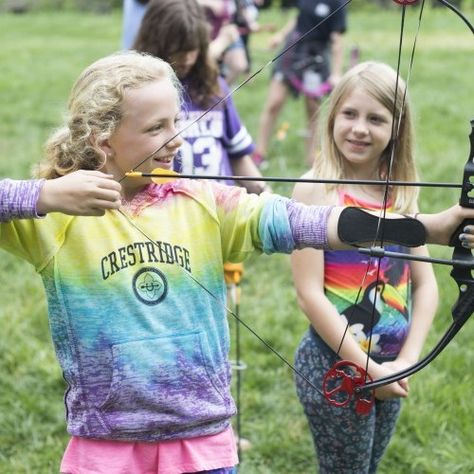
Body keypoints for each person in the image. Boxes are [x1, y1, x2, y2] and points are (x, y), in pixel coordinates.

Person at [1, 51, 473, 473]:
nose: (177, 138)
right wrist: (43, 194)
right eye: (156, 128)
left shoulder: (203, 201)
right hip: (106, 441)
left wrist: (425, 228)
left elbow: (305, 222)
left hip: (201, 438)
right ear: (102, 138)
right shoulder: (54, 216)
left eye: (177, 121)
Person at [290, 61, 438, 473]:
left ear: (397, 129)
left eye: (376, 119)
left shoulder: (401, 191)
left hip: (392, 369)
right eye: (350, 114)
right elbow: (309, 294)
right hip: (334, 366)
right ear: (332, 114)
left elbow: (425, 286)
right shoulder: (316, 189)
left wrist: (406, 363)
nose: (359, 128)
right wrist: (370, 370)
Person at [133, 0, 268, 195]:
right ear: (156, 43)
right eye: (179, 50)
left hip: (222, 210)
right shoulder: (138, 93)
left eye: (193, 49)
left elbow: (238, 156)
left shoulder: (214, 86)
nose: (187, 58)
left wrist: (268, 198)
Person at [253, 0, 347, 168]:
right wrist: (280, 35)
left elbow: (337, 40)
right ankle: (260, 153)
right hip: (292, 50)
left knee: (313, 109)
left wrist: (336, 73)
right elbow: (298, 18)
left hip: (315, 56)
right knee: (274, 102)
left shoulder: (337, 3)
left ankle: (311, 158)